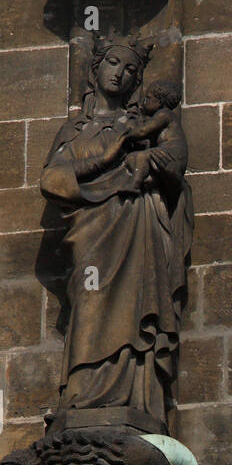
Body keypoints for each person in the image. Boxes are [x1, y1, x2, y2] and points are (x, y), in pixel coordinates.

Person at [40, 39, 193, 426]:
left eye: (129, 70)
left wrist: (144, 161)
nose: (119, 73)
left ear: (136, 82)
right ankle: (83, 394)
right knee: (89, 304)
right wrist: (106, 158)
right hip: (92, 228)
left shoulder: (140, 126)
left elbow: (173, 168)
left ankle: (132, 395)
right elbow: (53, 179)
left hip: (135, 220)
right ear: (96, 68)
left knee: (135, 307)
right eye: (112, 62)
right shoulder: (75, 129)